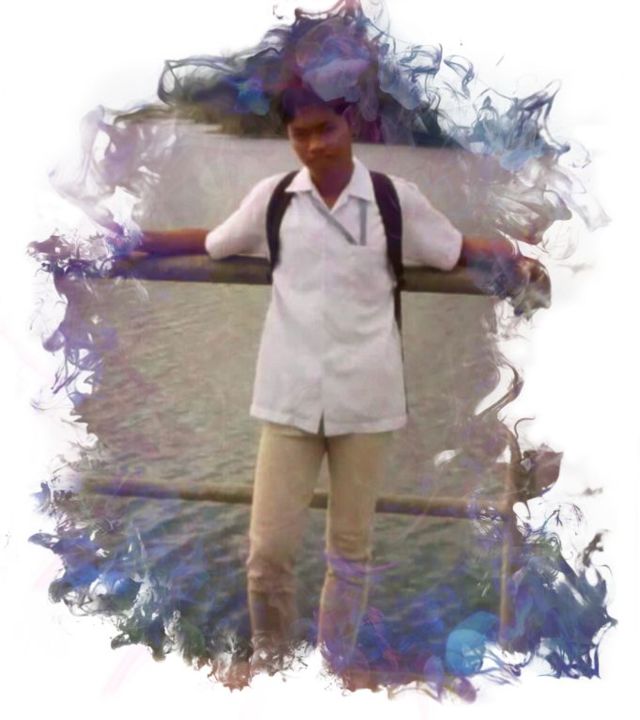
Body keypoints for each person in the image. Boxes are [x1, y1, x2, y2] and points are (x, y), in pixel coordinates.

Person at [136, 86, 523, 682]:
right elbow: (212, 242)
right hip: (287, 400)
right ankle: (273, 664)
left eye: (326, 129)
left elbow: (452, 252)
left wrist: (518, 257)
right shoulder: (274, 199)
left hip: (366, 401)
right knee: (267, 554)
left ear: (350, 124)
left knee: (351, 553)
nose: (314, 145)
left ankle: (333, 671)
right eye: (300, 134)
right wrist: (129, 244)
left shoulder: (394, 200)